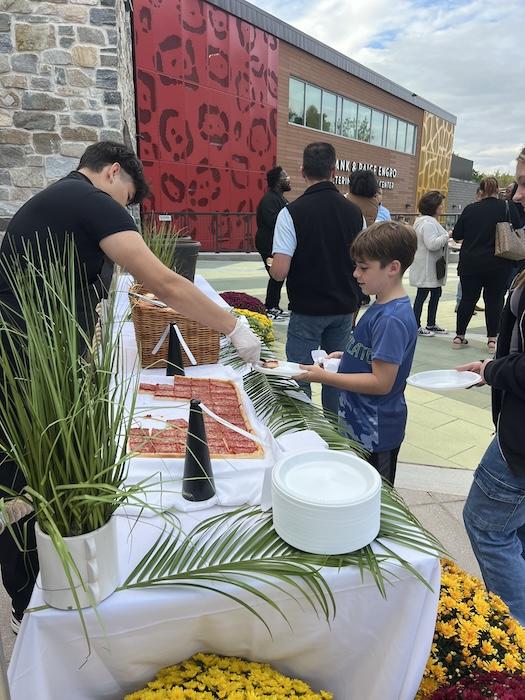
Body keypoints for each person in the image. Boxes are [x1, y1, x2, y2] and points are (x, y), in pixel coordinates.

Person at [0, 141, 261, 631]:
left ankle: (36, 586)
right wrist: (232, 327)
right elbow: (164, 282)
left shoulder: (61, 199)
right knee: (21, 479)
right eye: (126, 198)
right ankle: (26, 602)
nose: (123, 209)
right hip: (25, 365)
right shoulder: (90, 200)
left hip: (29, 355)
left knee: (24, 474)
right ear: (112, 171)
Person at [295, 221, 418, 484]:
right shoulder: (380, 305)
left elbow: (381, 382)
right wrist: (346, 356)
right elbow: (372, 356)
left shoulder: (391, 319)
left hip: (376, 432)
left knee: (375, 498)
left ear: (393, 268)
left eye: (364, 268)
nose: (355, 274)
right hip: (360, 425)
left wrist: (324, 378)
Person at [270, 142, 363, 415]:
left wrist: (272, 262)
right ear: (334, 171)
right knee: (338, 374)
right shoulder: (355, 213)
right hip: (345, 308)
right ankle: (336, 434)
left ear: (302, 171)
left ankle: (306, 433)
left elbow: (280, 271)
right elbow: (363, 262)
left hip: (307, 309)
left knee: (301, 375)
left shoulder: (291, 213)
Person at [452, 177, 516, 354]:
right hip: (498, 262)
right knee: (494, 300)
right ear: (498, 190)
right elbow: (517, 228)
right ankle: (492, 340)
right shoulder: (506, 207)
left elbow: (457, 235)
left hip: (470, 263)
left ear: (480, 191)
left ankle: (459, 336)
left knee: (467, 299)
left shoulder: (470, 209)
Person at [409, 190, 451, 336]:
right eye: (440, 204)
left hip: (428, 266)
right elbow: (432, 244)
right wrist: (448, 235)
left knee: (433, 293)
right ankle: (417, 324)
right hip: (428, 267)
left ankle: (430, 323)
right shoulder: (428, 223)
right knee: (424, 294)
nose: (442, 207)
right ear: (434, 206)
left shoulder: (422, 221)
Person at [254, 166, 291, 321]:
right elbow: (273, 221)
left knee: (279, 276)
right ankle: (270, 307)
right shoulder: (269, 199)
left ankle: (273, 306)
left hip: (277, 245)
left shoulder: (280, 198)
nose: (289, 179)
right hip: (268, 246)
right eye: (285, 176)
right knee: (276, 276)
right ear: (277, 181)